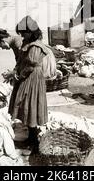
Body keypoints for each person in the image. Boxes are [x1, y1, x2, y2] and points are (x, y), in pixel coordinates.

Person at [8, 16, 57, 154]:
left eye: (24, 33)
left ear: (31, 32)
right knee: (26, 105)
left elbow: (30, 66)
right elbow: (21, 61)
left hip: (32, 78)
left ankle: (34, 142)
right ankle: (31, 137)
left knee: (31, 105)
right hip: (27, 76)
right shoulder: (27, 43)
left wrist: (18, 76)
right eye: (21, 33)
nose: (22, 35)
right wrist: (14, 73)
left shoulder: (36, 46)